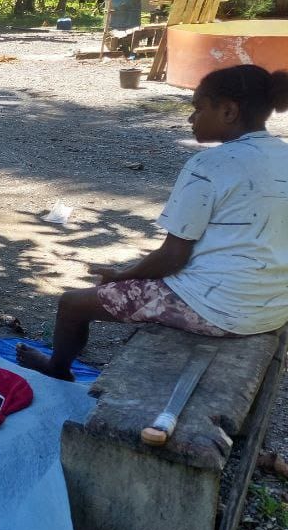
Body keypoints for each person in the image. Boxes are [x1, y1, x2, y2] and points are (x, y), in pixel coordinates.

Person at [19, 64, 288, 381]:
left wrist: (122, 276)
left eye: (199, 109)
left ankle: (57, 368)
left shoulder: (208, 165)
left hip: (219, 311)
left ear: (229, 111)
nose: (191, 119)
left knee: (72, 305)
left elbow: (172, 258)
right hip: (272, 309)